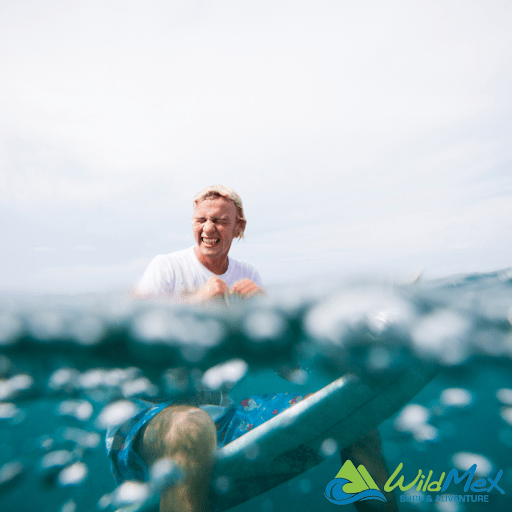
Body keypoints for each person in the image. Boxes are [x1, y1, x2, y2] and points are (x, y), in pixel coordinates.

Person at [108, 185, 397, 512]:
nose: (208, 228)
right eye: (201, 219)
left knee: (353, 418)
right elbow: (132, 348)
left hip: (221, 419)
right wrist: (194, 305)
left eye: (219, 221)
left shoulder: (249, 277)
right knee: (193, 427)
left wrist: (270, 324)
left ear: (239, 228)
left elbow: (289, 372)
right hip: (144, 422)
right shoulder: (166, 267)